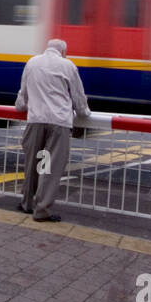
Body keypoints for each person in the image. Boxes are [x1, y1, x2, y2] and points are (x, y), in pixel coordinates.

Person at [15, 38, 91, 222]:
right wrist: (84, 113)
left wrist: (22, 106)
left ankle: (27, 204)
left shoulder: (32, 62)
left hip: (35, 121)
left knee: (34, 163)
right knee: (49, 167)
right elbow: (79, 98)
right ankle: (41, 210)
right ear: (63, 52)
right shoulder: (68, 66)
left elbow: (22, 98)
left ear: (46, 48)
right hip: (59, 124)